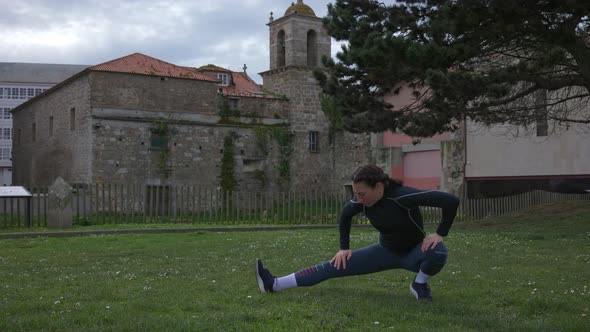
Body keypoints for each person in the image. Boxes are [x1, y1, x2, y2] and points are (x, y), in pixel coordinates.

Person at [255, 164, 460, 301]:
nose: (357, 199)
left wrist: (440, 233)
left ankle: (419, 285)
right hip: (385, 251)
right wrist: (344, 248)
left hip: (415, 252)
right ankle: (274, 284)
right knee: (333, 266)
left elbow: (449, 201)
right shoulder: (360, 202)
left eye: (362, 194)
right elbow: (345, 215)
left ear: (379, 187)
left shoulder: (402, 197)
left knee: (438, 251)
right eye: (355, 194)